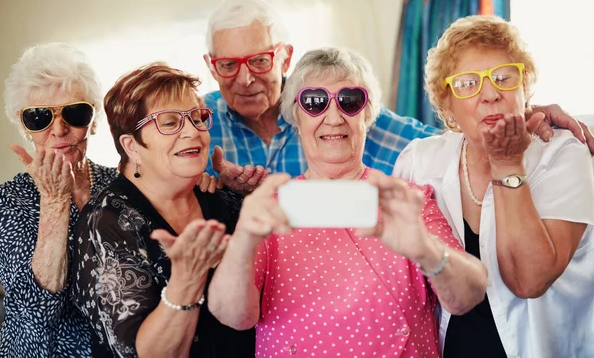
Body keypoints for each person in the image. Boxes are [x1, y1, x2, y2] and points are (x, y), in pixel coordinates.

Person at [208, 47, 488, 357]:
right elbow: (233, 316)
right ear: (295, 116)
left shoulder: (407, 201)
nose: (333, 117)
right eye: (314, 103)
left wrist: (426, 250)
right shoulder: (270, 211)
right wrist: (243, 240)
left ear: (368, 114)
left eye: (349, 101)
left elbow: (469, 295)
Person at [202, 0, 594, 192]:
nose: (245, 78)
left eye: (259, 61)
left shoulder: (348, 107)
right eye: (228, 65)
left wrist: (519, 111)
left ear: (284, 57)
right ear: (211, 65)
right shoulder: (196, 128)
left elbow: (454, 140)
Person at [393, 15, 594, 358]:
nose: (490, 94)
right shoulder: (419, 161)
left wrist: (507, 163)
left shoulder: (563, 156)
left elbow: (529, 282)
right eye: (468, 84)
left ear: (524, 90)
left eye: (503, 78)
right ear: (448, 107)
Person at [71, 63, 255, 357]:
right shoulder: (106, 221)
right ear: (131, 146)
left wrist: (253, 198)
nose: (192, 132)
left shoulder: (224, 201)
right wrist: (186, 280)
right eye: (169, 123)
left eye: (197, 118)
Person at [0, 43, 117, 357]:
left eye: (75, 113)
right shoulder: (6, 201)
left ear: (92, 120)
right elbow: (38, 310)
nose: (59, 129)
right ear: (25, 127)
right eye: (40, 117)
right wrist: (54, 201)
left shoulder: (120, 184)